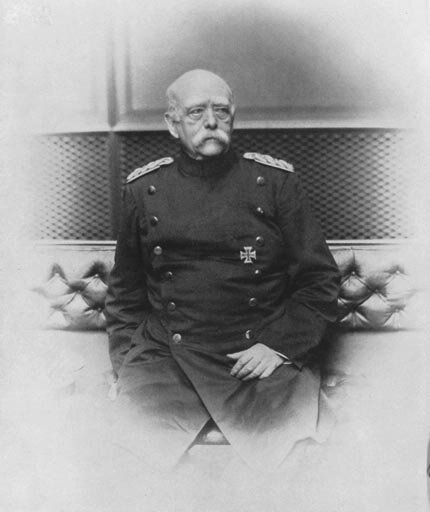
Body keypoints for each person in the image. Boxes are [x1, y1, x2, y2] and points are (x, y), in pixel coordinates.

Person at [104, 69, 340, 472]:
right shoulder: (143, 190)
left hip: (255, 356)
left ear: (234, 117)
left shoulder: (275, 182)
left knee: (291, 456)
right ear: (173, 123)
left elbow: (319, 281)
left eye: (221, 111)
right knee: (131, 453)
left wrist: (277, 346)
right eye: (196, 112)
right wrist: (126, 367)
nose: (211, 121)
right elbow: (125, 295)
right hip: (168, 357)